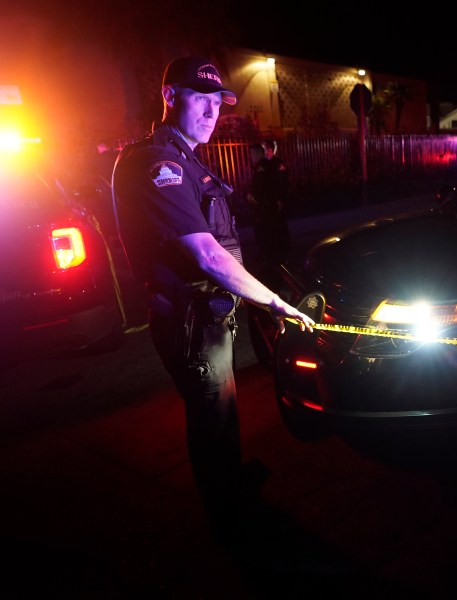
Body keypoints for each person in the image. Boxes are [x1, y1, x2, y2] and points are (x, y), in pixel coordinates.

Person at [111, 56, 315, 542]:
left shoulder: (186, 158)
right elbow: (205, 255)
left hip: (209, 313)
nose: (210, 112)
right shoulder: (155, 163)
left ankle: (232, 485)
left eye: (217, 102)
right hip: (190, 317)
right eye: (199, 98)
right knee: (210, 414)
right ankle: (229, 518)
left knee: (220, 409)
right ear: (169, 97)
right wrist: (274, 303)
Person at [247, 138, 291, 285]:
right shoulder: (262, 165)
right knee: (269, 230)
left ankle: (277, 259)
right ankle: (272, 258)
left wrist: (280, 199)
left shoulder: (275, 165)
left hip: (270, 204)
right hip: (264, 204)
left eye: (265, 148)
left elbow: (280, 184)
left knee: (276, 229)